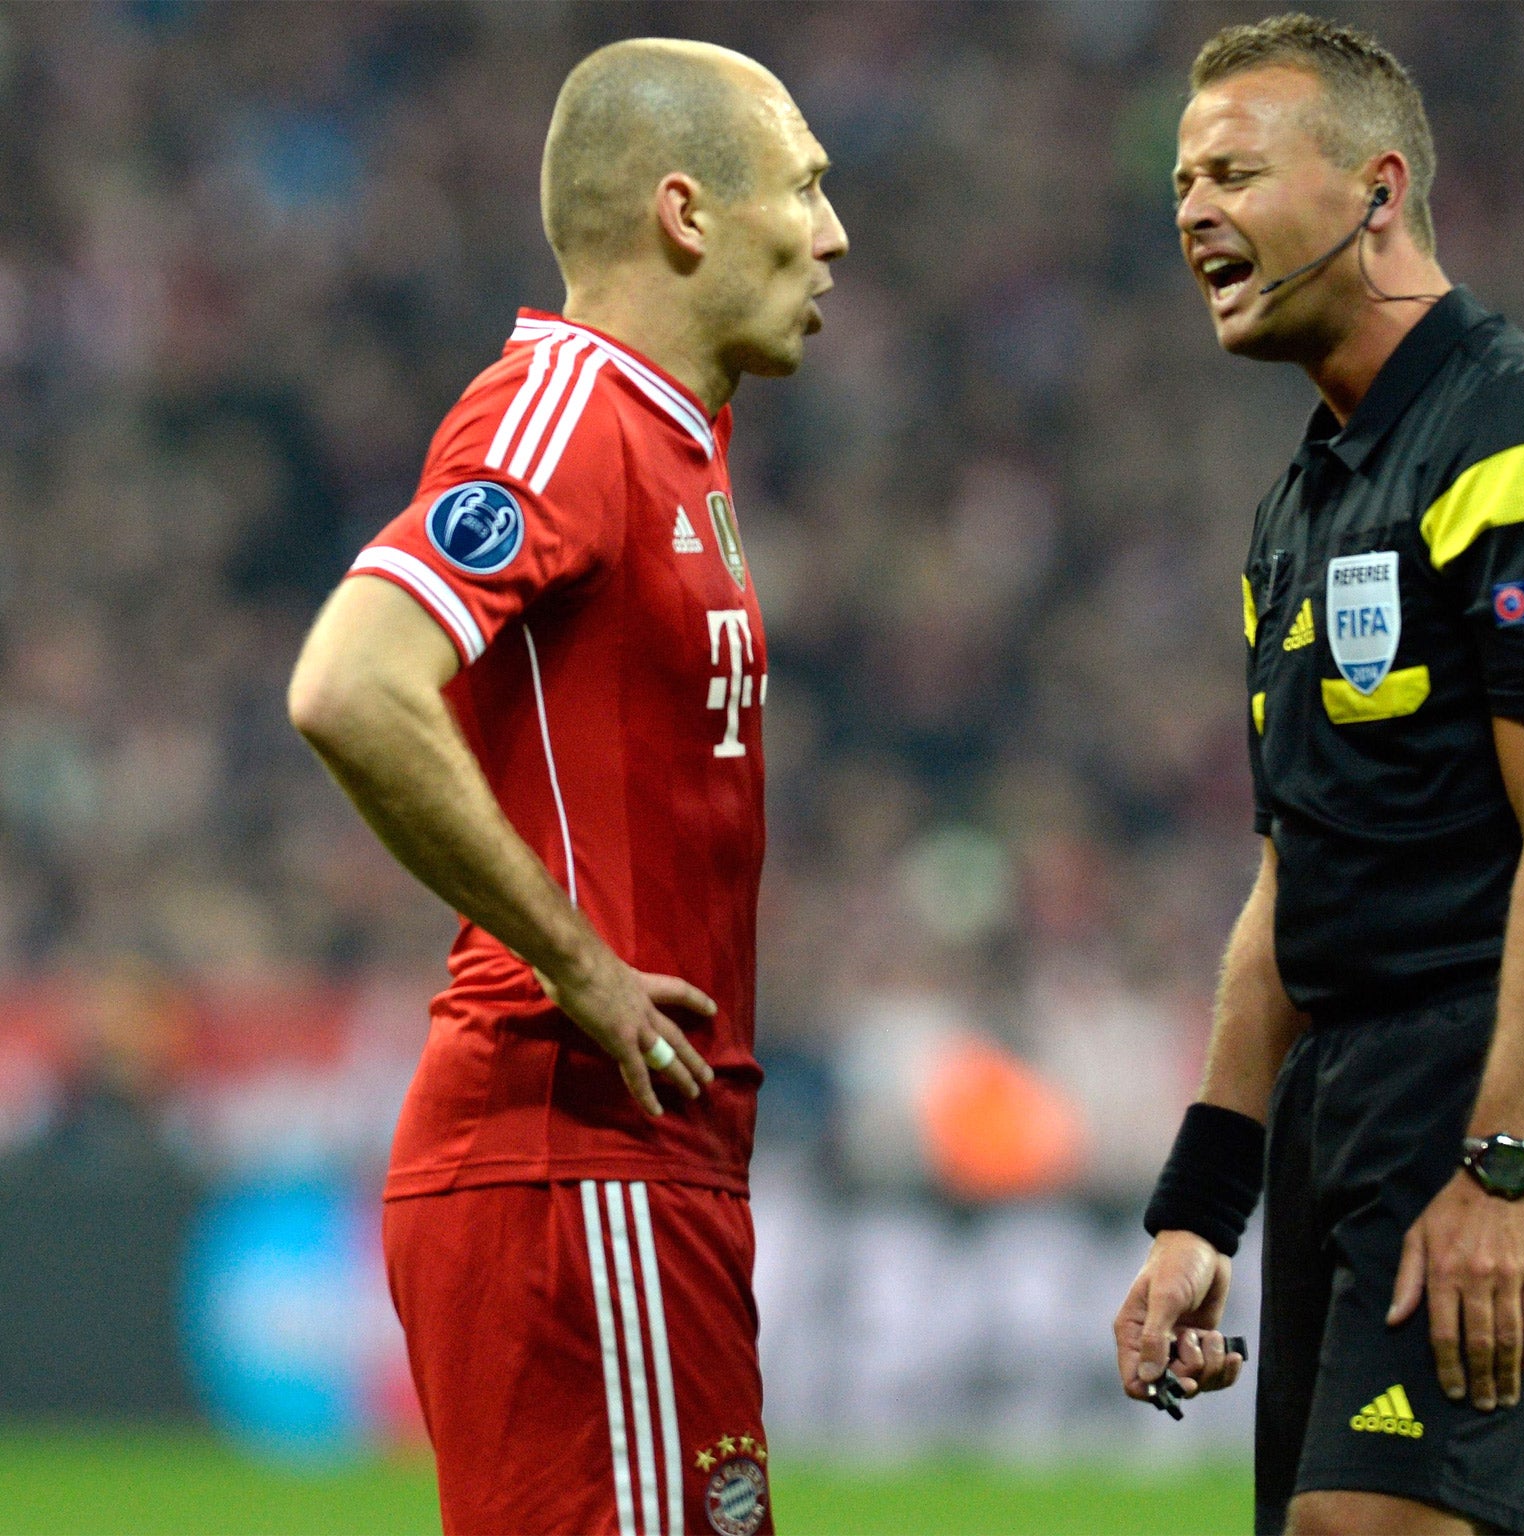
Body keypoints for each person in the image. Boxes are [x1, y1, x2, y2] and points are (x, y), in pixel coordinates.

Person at [1112, 15, 1524, 1536]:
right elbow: (1298, 872)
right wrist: (1199, 1208)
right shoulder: (1300, 505)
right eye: (1179, 181)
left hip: (1495, 1069)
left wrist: (1505, 1163)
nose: (1191, 211)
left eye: (1233, 169)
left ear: (1376, 193)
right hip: (1340, 1096)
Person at [287, 38, 845, 1536]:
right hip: (570, 1154)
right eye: (805, 185)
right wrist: (581, 966)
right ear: (686, 214)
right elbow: (351, 682)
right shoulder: (567, 414)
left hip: (640, 1169)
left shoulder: (678, 448)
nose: (835, 233)